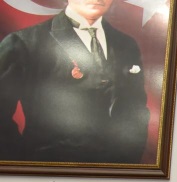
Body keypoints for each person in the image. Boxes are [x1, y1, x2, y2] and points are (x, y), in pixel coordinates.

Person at [0, 0, 149, 163]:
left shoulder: (126, 44)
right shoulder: (24, 43)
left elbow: (137, 110)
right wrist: (25, 164)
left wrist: (126, 163)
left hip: (115, 169)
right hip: (49, 168)